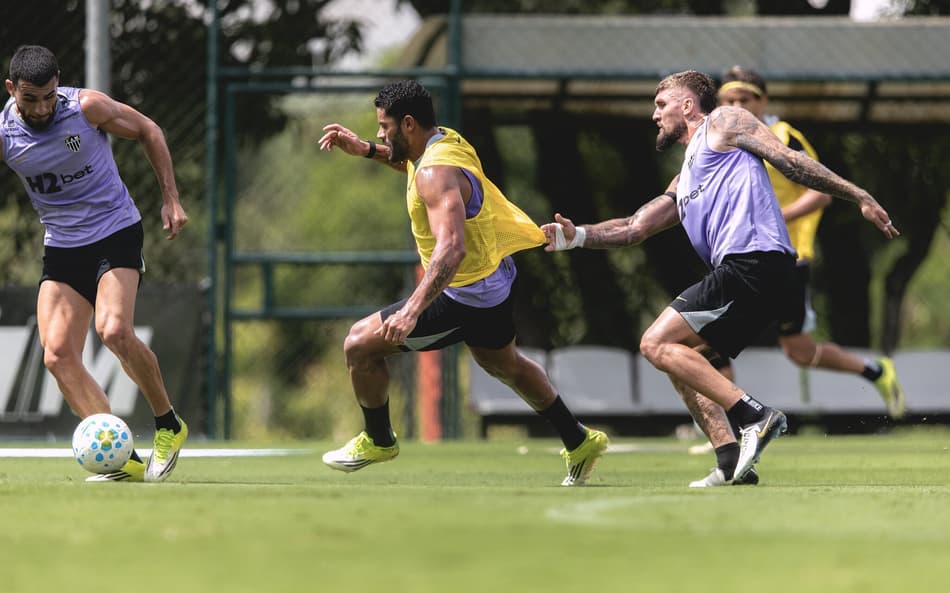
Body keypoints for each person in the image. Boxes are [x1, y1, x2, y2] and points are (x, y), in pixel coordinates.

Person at [542, 70, 900, 487]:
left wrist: (858, 194)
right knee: (680, 359)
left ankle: (755, 416)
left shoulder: (725, 121)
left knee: (654, 343)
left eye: (662, 105)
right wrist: (577, 237)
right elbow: (634, 227)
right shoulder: (688, 173)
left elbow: (791, 162)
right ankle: (729, 458)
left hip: (755, 261)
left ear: (688, 105)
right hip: (748, 270)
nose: (655, 115)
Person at [317, 79, 608, 486]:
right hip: (494, 277)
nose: (381, 133)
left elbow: (450, 249)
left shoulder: (435, 173)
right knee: (504, 364)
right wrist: (366, 149)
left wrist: (411, 311)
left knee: (359, 345)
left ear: (409, 124)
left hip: (464, 294)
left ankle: (379, 438)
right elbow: (411, 164)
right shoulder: (447, 141)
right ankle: (579, 440)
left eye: (384, 127)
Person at [0, 46, 189, 482]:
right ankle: (119, 457)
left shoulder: (86, 108)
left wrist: (171, 199)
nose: (43, 108)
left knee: (114, 330)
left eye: (49, 96)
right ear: (12, 90)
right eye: (31, 100)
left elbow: (148, 129)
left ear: (58, 84)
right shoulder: (7, 135)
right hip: (63, 246)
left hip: (115, 231)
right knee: (58, 355)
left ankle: (168, 423)